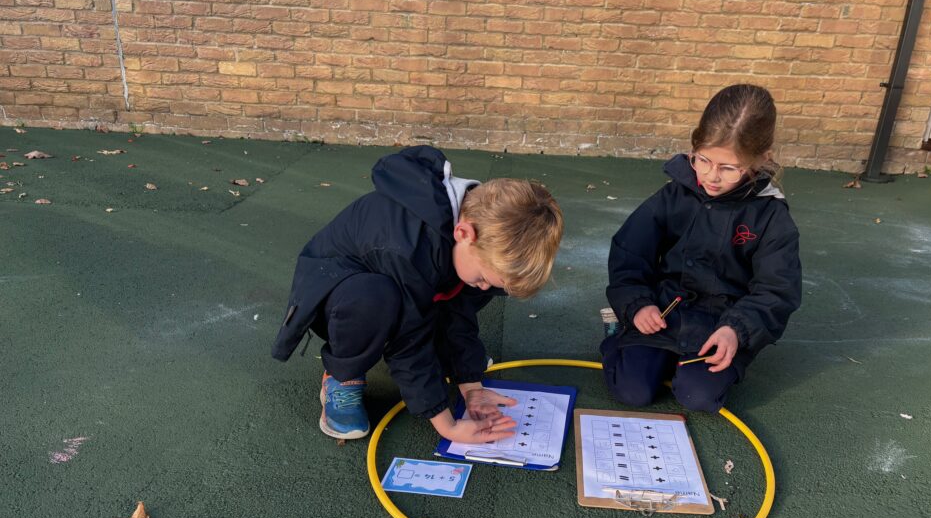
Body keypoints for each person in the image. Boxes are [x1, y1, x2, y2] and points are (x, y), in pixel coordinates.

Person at [272, 146, 564, 442]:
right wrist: (447, 425)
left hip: (409, 283)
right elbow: (407, 341)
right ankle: (341, 376)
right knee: (377, 299)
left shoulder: (478, 237)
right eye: (484, 279)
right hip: (337, 296)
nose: (486, 287)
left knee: (458, 290)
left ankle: (445, 352)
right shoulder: (408, 248)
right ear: (464, 233)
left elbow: (459, 311)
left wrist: (470, 384)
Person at [601, 84, 801, 413]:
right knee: (632, 389)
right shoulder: (675, 194)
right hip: (664, 311)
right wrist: (637, 304)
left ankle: (690, 360)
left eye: (728, 168)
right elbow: (629, 252)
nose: (711, 176)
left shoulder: (770, 216)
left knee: (699, 395)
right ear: (693, 147)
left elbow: (777, 290)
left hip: (722, 322)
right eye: (703, 160)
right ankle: (620, 337)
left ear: (759, 160)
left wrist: (736, 330)